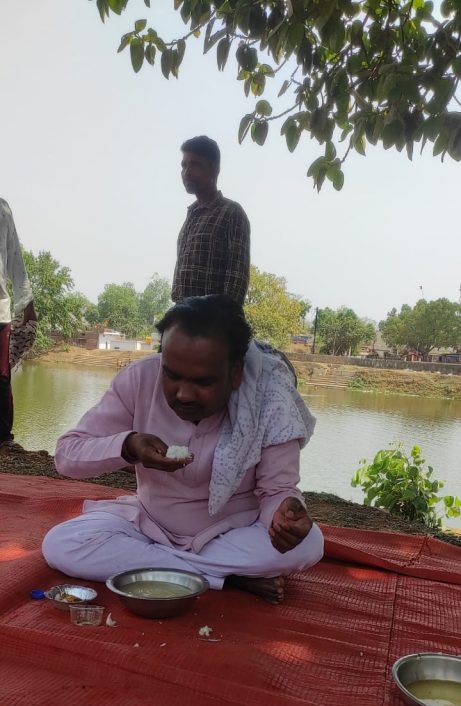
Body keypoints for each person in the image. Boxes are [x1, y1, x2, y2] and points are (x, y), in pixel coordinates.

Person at [42, 295, 323, 603]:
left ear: (235, 373)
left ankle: (173, 567)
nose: (184, 394)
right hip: (147, 525)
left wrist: (284, 515)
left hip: (232, 535)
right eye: (172, 375)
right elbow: (67, 455)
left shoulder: (269, 398)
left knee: (310, 544)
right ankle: (224, 577)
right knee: (61, 544)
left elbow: (277, 491)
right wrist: (128, 445)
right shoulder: (139, 379)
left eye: (203, 382)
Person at [171, 137, 250, 308]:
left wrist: (220, 321)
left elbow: (236, 281)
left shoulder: (231, 213)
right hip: (183, 316)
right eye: (184, 165)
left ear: (214, 168)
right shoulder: (192, 214)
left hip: (213, 320)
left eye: (195, 164)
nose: (187, 172)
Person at [0, 198, 36, 449]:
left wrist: (26, 301)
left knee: (1, 376)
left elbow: (15, 258)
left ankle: (3, 437)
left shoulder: (2, 209)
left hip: (0, 308)